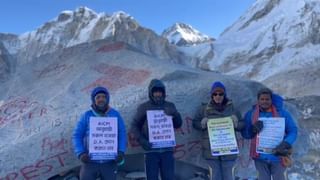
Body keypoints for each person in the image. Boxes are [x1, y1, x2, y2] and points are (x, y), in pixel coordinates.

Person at [130, 79, 182, 180]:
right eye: (155, 91)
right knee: (152, 177)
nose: (158, 94)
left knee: (169, 177)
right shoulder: (144, 107)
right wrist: (142, 140)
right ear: (151, 92)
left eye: (160, 91)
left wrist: (175, 114)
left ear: (163, 92)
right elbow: (134, 125)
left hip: (167, 150)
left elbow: (178, 124)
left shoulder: (170, 106)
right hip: (151, 151)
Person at [241, 88, 297, 180]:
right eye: (262, 99)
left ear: (271, 100)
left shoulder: (282, 113)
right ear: (258, 100)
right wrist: (252, 130)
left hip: (278, 156)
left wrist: (286, 143)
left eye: (267, 99)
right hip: (260, 157)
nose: (264, 101)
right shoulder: (251, 114)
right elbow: (246, 134)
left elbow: (293, 130)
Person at [72, 86, 127, 180]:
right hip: (90, 161)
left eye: (103, 97)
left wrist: (121, 151)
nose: (101, 99)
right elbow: (77, 135)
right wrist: (81, 153)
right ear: (93, 100)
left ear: (107, 99)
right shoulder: (86, 115)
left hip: (109, 161)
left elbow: (122, 133)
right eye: (98, 97)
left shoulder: (115, 114)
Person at [193, 81, 244, 180]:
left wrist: (237, 123)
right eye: (215, 94)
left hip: (229, 152)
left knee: (229, 177)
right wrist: (202, 124)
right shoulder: (204, 109)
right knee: (215, 177)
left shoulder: (232, 108)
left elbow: (243, 124)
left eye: (221, 94)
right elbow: (195, 123)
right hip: (211, 153)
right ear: (212, 95)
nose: (218, 96)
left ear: (224, 95)